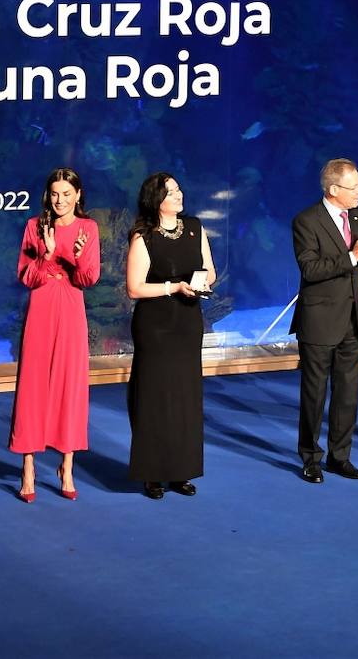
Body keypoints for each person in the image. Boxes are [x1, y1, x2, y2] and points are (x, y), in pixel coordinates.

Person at [289, 159, 358, 484]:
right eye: (354, 186)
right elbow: (311, 269)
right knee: (314, 393)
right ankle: (310, 458)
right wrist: (353, 256)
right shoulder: (306, 220)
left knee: (348, 393)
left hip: (354, 320)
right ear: (334, 190)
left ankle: (339, 456)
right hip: (319, 320)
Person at [8, 168, 101, 502]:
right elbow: (27, 277)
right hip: (42, 306)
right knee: (33, 383)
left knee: (69, 384)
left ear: (78, 194)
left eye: (67, 193)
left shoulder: (87, 228)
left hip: (71, 308)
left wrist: (71, 256)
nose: (60, 200)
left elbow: (89, 278)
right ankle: (28, 468)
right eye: (55, 193)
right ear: (48, 195)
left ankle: (67, 465)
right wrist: (47, 255)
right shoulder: (35, 226)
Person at [124, 173, 215, 499]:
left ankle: (180, 471)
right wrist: (173, 286)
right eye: (171, 192)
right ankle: (153, 472)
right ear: (155, 199)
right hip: (157, 326)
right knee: (155, 397)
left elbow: (210, 270)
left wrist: (201, 283)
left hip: (188, 322)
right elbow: (134, 287)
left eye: (178, 189)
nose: (179, 195)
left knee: (185, 398)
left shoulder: (194, 227)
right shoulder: (143, 236)